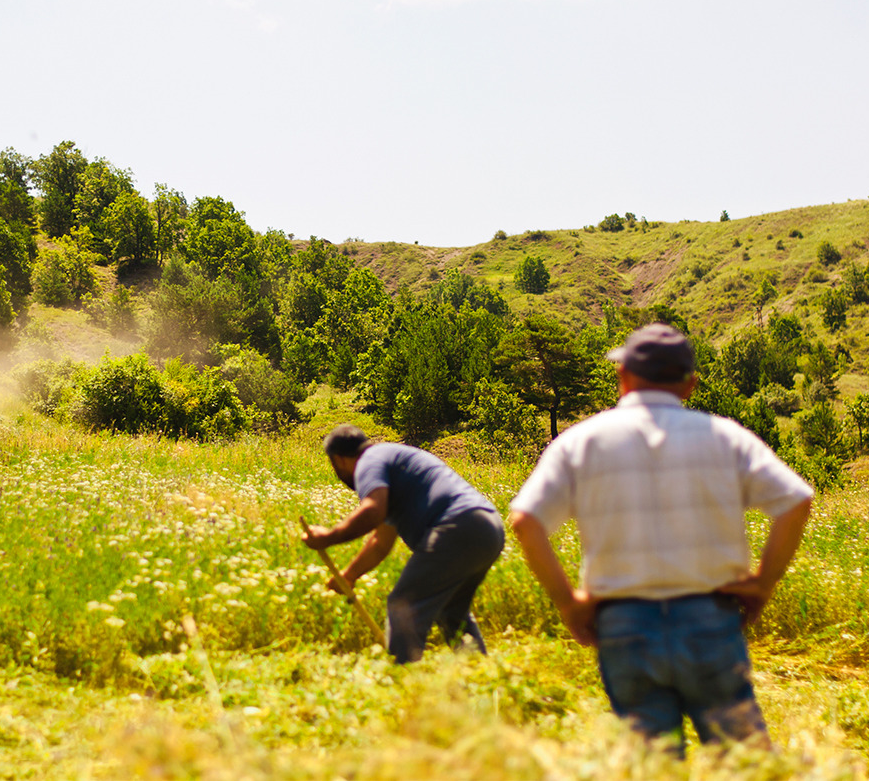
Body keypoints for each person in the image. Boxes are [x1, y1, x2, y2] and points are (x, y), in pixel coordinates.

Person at [507, 323, 813, 757]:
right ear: (690, 384)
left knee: (651, 764)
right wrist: (763, 583)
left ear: (623, 377)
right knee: (742, 760)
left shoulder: (581, 441)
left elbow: (526, 521)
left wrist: (568, 602)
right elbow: (796, 501)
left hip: (624, 625)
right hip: (709, 618)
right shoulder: (726, 437)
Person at [302, 425, 505, 664]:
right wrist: (350, 575)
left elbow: (372, 511)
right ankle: (480, 675)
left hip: (456, 526)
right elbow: (381, 541)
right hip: (487, 527)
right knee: (452, 612)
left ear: (338, 460)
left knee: (404, 604)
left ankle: (403, 680)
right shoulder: (392, 462)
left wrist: (328, 537)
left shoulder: (370, 461)